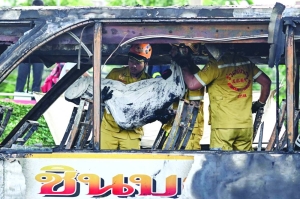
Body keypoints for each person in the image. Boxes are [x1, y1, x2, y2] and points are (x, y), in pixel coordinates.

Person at [172, 43, 271, 151]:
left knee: (219, 162)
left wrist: (182, 63)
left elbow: (192, 84)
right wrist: (259, 104)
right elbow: (266, 82)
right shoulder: (246, 62)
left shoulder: (216, 65)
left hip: (223, 127)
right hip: (245, 126)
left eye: (206, 50)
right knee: (244, 162)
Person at [101, 43, 152, 150]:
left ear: (146, 63)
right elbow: (100, 93)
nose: (133, 65)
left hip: (132, 132)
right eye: (131, 61)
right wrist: (102, 97)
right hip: (109, 129)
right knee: (104, 162)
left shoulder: (149, 82)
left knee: (131, 164)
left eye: (138, 63)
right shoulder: (115, 74)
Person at [15, 0, 45, 93]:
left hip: (39, 50)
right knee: (22, 74)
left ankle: (35, 95)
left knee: (38, 75)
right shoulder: (26, 16)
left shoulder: (45, 18)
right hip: (25, 49)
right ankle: (18, 93)